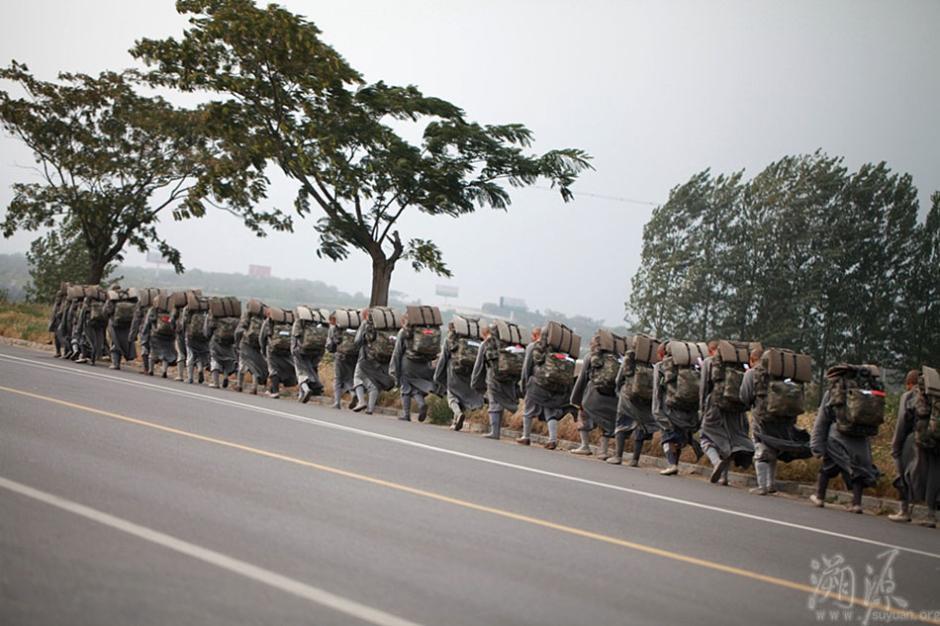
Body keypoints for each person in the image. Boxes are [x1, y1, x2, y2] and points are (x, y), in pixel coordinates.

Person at [809, 365, 884, 514]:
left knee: (828, 465)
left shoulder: (834, 392)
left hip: (838, 437)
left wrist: (816, 445)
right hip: (861, 439)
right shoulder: (868, 392)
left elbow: (822, 419)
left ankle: (819, 497)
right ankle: (856, 504)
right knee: (859, 469)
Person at [739, 347, 812, 495]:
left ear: (753, 360)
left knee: (761, 450)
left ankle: (762, 486)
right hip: (787, 418)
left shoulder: (753, 373)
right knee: (775, 447)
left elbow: (744, 396)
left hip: (763, 417)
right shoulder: (785, 374)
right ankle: (771, 484)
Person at [698, 340, 755, 484]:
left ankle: (716, 461)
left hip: (714, 405)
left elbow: (704, 387)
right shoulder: (741, 366)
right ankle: (724, 477)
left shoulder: (709, 362)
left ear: (712, 350)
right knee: (729, 439)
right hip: (735, 408)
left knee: (705, 437)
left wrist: (702, 409)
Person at [888, 369, 939, 527]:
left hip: (918, 439)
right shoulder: (936, 395)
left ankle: (904, 510)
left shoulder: (910, 396)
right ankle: (930, 515)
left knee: (907, 472)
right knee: (935, 474)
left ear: (909, 383)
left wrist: (895, 447)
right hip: (938, 440)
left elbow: (902, 424)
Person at [652, 342, 704, 476]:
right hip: (688, 410)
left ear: (662, 353)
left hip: (669, 407)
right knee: (679, 436)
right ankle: (677, 463)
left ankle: (672, 464)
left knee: (667, 437)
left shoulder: (661, 366)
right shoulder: (692, 367)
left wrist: (657, 411)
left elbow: (657, 390)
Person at [608, 335, 660, 466]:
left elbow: (619, 379)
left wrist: (619, 391)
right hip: (646, 399)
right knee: (640, 427)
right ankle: (635, 460)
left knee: (621, 425)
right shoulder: (653, 362)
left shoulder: (630, 357)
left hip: (627, 397)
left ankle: (618, 456)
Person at [520, 326, 575, 449]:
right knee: (550, 412)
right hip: (555, 387)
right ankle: (552, 440)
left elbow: (526, 368)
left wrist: (524, 384)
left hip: (537, 385)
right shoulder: (561, 349)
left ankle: (526, 437)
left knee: (528, 410)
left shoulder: (534, 347)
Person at [569, 332, 622, 459]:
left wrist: (576, 399)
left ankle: (585, 446)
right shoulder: (619, 358)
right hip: (612, 397)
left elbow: (582, 379)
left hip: (593, 396)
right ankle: (602, 451)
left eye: (591, 342)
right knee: (608, 422)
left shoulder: (590, 357)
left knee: (583, 416)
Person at [471, 323, 523, 441]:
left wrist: (474, 381)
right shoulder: (507, 344)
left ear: (484, 334)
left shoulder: (486, 344)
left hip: (493, 377)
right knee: (500, 403)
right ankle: (496, 431)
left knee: (494, 403)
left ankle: (494, 432)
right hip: (507, 378)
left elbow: (478, 365)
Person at [390, 309, 441, 422]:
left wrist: (394, 369)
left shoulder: (404, 332)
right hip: (424, 364)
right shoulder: (427, 332)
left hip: (408, 365)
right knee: (415, 388)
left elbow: (397, 352)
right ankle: (421, 403)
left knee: (405, 388)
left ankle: (406, 414)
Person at [434, 320, 485, 431]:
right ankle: (456, 421)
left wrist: (438, 376)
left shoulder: (450, 341)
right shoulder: (478, 342)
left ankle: (458, 413)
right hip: (470, 374)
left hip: (454, 374)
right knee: (462, 396)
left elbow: (443, 359)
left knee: (452, 397)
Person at [352, 307, 397, 415]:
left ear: (366, 315)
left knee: (357, 378)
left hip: (366, 357)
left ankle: (361, 401)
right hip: (383, 358)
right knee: (374, 383)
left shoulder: (366, 324)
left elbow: (357, 341)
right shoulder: (388, 326)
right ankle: (370, 409)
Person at [259, 307, 298, 399]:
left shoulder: (268, 322)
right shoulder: (290, 323)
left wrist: (263, 349)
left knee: (273, 370)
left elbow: (261, 337)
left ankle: (275, 392)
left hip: (272, 349)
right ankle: (271, 389)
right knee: (285, 368)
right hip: (287, 350)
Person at [291, 306, 328, 403]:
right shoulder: (319, 323)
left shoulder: (299, 322)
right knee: (310, 370)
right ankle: (301, 394)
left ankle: (306, 389)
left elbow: (296, 336)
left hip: (301, 351)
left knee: (301, 372)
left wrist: (293, 350)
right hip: (317, 351)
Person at [326, 310, 360, 409]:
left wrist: (331, 350)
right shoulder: (355, 327)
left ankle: (337, 402)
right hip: (354, 356)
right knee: (350, 377)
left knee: (338, 378)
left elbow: (331, 344)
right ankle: (353, 393)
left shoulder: (334, 328)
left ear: (333, 319)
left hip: (340, 356)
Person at [204, 297, 240, 389]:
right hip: (229, 343)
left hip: (216, 341)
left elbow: (209, 329)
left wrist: (208, 337)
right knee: (227, 360)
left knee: (215, 360)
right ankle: (225, 376)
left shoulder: (215, 315)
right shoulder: (235, 318)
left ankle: (216, 383)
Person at [234, 299, 269, 395]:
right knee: (255, 365)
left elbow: (240, 329)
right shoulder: (264, 317)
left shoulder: (248, 314)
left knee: (242, 363)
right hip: (258, 344)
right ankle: (254, 387)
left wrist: (237, 342)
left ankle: (239, 385)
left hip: (246, 342)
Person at [142, 294, 180, 378]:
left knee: (153, 352)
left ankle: (151, 370)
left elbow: (148, 323)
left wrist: (144, 336)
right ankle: (164, 371)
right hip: (169, 336)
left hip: (156, 334)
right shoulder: (172, 310)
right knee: (166, 353)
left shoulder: (153, 310)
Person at [180, 295, 211, 384]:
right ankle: (200, 369)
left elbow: (184, 321)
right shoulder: (207, 309)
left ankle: (190, 378)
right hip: (203, 336)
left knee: (190, 355)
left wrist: (183, 331)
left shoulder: (189, 308)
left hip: (191, 335)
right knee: (200, 354)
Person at [104, 289, 138, 371]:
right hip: (127, 325)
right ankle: (123, 359)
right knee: (125, 342)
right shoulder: (130, 299)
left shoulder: (112, 300)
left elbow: (107, 311)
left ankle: (115, 364)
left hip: (115, 324)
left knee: (115, 343)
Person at [74, 289, 108, 366]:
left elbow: (81, 317)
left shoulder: (87, 304)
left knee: (92, 342)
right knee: (97, 341)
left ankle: (91, 359)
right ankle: (90, 357)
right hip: (99, 325)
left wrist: (78, 329)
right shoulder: (102, 303)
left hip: (89, 324)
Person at [49, 283, 68, 358]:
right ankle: (60, 351)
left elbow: (59, 310)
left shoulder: (64, 300)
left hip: (60, 319)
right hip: (61, 318)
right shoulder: (66, 299)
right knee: (59, 335)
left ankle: (61, 351)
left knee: (59, 335)